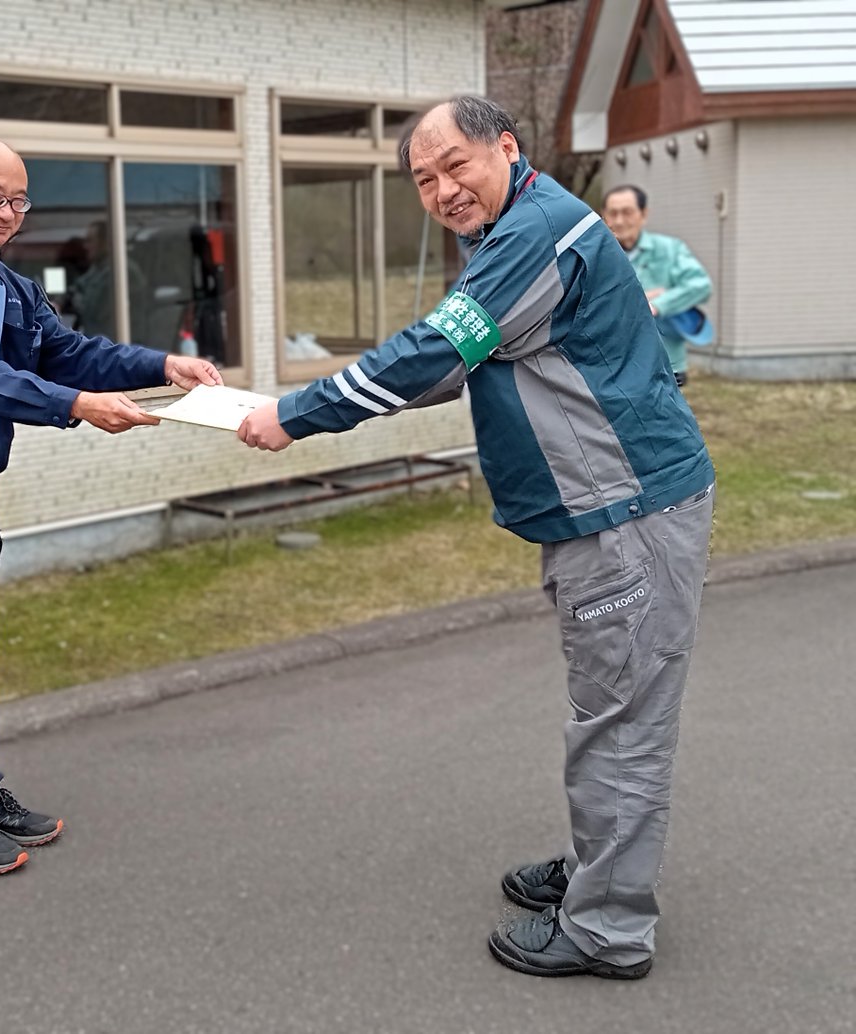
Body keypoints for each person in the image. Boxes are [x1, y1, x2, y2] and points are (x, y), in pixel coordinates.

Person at [238, 97, 715, 979]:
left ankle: (608, 928)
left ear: (507, 146)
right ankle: (597, 873)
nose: (444, 189)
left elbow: (431, 354)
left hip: (625, 514)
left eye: (456, 165)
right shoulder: (512, 229)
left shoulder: (533, 234)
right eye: (423, 180)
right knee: (608, 709)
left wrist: (291, 415)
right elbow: (448, 363)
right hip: (607, 509)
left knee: (620, 722)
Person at [0, 137, 221, 876]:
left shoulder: (8, 288)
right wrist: (79, 408)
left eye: (18, 199)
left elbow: (69, 352)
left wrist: (161, 364)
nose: (6, 211)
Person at [601, 184, 713, 387]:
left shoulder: (669, 249)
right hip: (613, 367)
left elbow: (700, 285)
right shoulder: (597, 256)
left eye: (627, 213)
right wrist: (640, 299)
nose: (619, 221)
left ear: (643, 214)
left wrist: (659, 303)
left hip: (666, 365)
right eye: (613, 213)